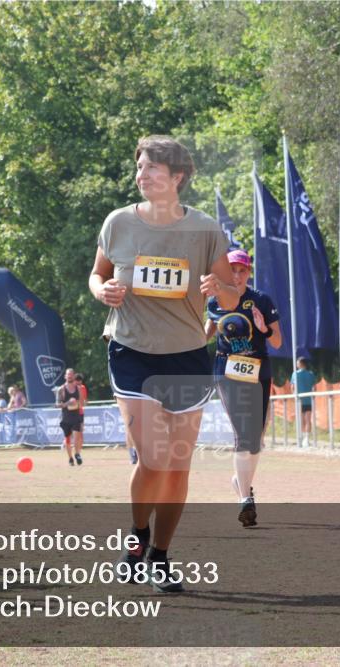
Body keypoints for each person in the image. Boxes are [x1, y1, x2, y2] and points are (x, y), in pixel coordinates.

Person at [89, 135, 236, 593]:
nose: (142, 174)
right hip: (132, 351)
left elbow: (232, 294)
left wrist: (218, 288)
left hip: (187, 354)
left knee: (177, 464)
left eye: (152, 168)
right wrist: (102, 291)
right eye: (139, 166)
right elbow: (98, 275)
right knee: (153, 456)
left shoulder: (205, 229)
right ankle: (136, 540)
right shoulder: (118, 224)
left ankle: (159, 557)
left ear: (177, 178)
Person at [205, 247, 282, 527]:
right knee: (242, 434)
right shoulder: (214, 301)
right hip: (226, 372)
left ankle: (242, 484)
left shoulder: (261, 299)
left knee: (255, 439)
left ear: (248, 272)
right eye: (232, 270)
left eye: (242, 270)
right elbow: (204, 335)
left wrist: (264, 329)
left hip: (258, 371)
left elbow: (277, 343)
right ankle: (245, 500)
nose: (237, 275)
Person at [57, 368, 84, 466]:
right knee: (68, 440)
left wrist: (77, 403)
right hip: (66, 418)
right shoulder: (61, 389)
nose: (70, 376)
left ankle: (77, 454)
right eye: (68, 374)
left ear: (74, 376)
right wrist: (68, 403)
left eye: (71, 374)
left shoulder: (79, 388)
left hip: (76, 416)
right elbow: (57, 405)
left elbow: (82, 403)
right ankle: (70, 458)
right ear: (65, 376)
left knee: (77, 437)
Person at [293, 357, 317, 447]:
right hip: (308, 400)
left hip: (299, 400)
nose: (296, 365)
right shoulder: (311, 374)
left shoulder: (295, 374)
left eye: (297, 363)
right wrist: (312, 396)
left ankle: (303, 438)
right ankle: (306, 438)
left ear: (301, 364)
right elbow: (314, 387)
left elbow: (293, 387)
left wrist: (294, 395)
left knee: (301, 420)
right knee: (308, 420)